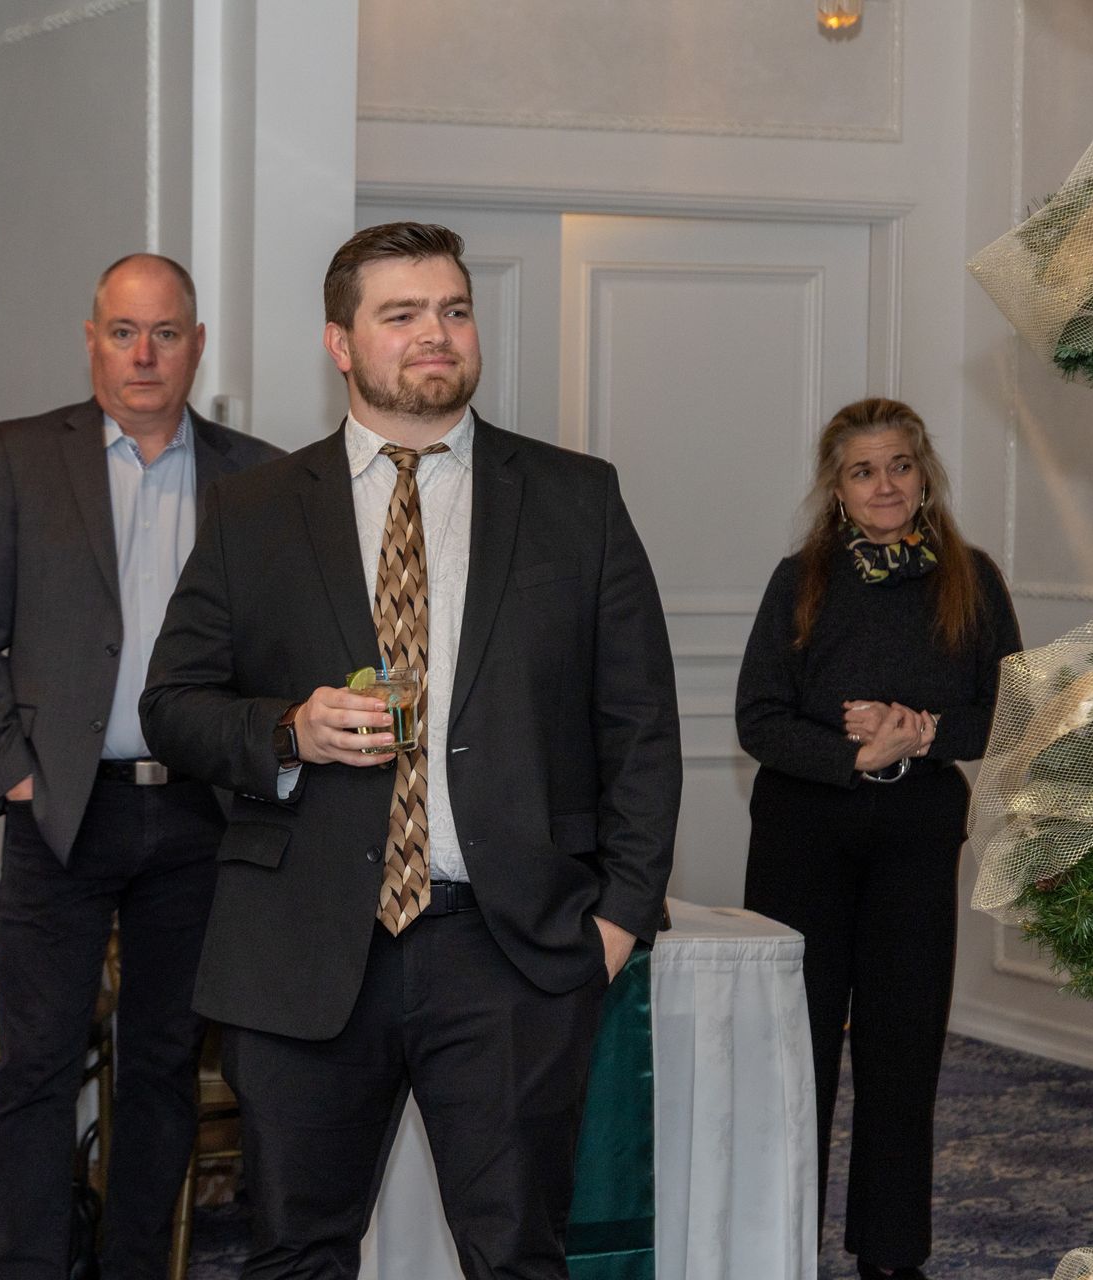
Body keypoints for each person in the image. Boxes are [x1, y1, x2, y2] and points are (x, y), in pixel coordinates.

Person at [140, 221, 682, 1280]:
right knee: (295, 1252)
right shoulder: (252, 509)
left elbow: (642, 726)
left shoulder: (576, 498)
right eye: (402, 314)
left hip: (510, 947)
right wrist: (286, 731)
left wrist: (617, 918)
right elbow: (174, 706)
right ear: (341, 343)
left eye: (454, 310)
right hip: (303, 943)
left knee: (518, 1253)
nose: (436, 334)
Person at [0, 253, 283, 1278]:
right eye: (123, 331)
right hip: (63, 811)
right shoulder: (20, 456)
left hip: (199, 817)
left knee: (164, 1067)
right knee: (38, 1065)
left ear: (197, 346)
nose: (143, 354)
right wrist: (16, 774)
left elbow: (276, 647)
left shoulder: (255, 477)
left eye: (166, 332)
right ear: (91, 337)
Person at [735, 397, 1021, 1280]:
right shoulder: (802, 577)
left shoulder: (971, 577)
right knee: (797, 1050)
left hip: (916, 837)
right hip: (803, 836)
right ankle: (777, 1244)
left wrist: (923, 734)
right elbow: (758, 718)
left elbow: (1015, 713)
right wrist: (856, 754)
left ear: (923, 474)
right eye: (864, 470)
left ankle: (892, 1255)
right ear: (838, 487)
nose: (885, 483)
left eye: (899, 465)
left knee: (903, 1046)